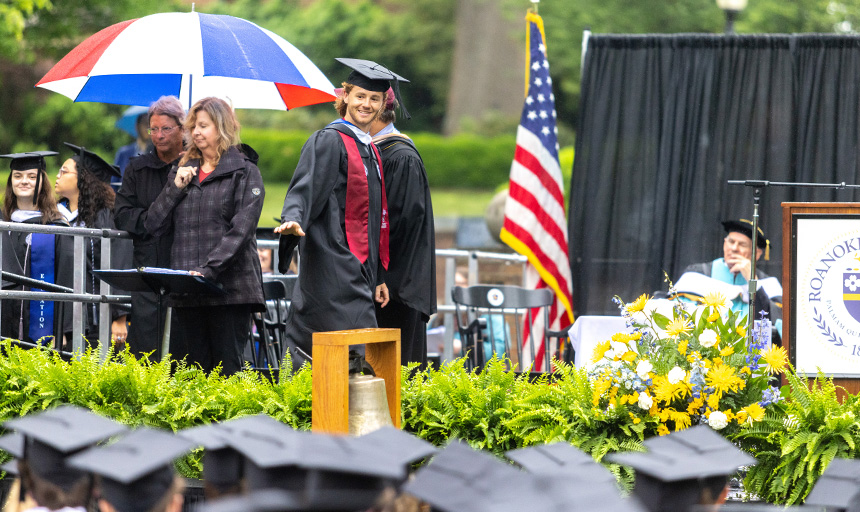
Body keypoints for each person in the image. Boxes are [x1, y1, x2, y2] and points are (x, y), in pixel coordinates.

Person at [275, 59, 411, 364]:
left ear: (382, 105)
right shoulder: (329, 141)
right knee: (339, 352)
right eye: (360, 96)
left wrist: (377, 276)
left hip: (359, 269)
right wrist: (293, 219)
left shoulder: (370, 148)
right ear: (345, 96)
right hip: (331, 261)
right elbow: (304, 187)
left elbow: (371, 218)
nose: (366, 104)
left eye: (374, 98)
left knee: (357, 354)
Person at [144, 96, 265, 376]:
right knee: (186, 376)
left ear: (221, 127)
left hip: (229, 292)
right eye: (193, 126)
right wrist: (174, 188)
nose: (196, 132)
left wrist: (206, 271)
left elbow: (241, 231)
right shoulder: (183, 170)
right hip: (188, 291)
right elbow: (153, 224)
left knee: (226, 375)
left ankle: (232, 424)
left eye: (203, 125)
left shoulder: (245, 172)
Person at [370, 90, 436, 367]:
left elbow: (400, 223)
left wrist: (377, 272)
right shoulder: (376, 151)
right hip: (384, 283)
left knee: (398, 376)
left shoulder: (400, 156)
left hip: (397, 287)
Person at [114, 96, 184, 359]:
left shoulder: (197, 165)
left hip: (185, 265)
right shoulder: (137, 168)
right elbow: (122, 213)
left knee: (183, 348)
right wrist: (148, 221)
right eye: (153, 129)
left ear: (182, 128)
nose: (158, 135)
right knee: (146, 347)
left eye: (166, 129)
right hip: (148, 268)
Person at [57, 143, 131, 347]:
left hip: (99, 320)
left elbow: (120, 263)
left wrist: (120, 316)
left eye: (64, 171)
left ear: (83, 178)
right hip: (64, 320)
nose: (57, 175)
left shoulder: (105, 218)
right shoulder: (54, 217)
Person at [0, 151, 73, 347]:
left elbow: (65, 277)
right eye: (18, 176)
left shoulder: (55, 227)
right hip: (4, 316)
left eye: (32, 176)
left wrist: (63, 329)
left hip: (41, 326)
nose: (24, 181)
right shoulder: (3, 223)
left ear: (42, 182)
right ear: (11, 182)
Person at [675, 219, 782, 331]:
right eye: (731, 242)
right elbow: (677, 314)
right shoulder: (698, 275)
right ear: (724, 244)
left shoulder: (767, 283)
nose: (734, 248)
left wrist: (752, 281)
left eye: (742, 244)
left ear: (757, 253)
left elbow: (776, 322)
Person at [113, 111, 152, 189]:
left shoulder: (157, 154)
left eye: (151, 126)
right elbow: (114, 182)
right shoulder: (123, 153)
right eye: (145, 124)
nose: (148, 128)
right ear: (137, 126)